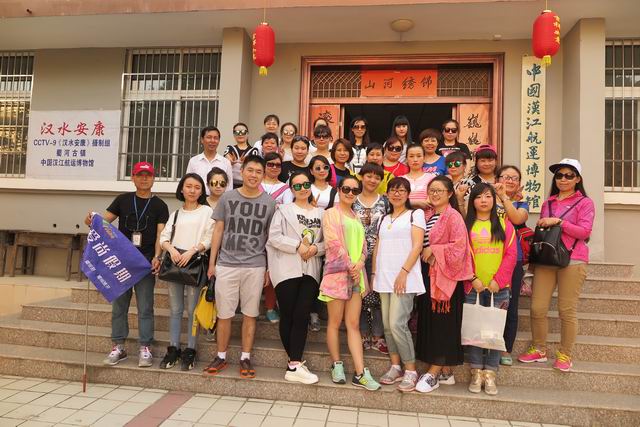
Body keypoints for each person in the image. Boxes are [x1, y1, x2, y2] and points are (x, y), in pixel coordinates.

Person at [86, 162, 169, 368]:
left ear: (153, 178)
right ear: (133, 178)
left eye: (148, 175)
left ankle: (145, 347)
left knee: (145, 307)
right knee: (119, 307)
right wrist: (91, 220)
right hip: (121, 264)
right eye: (140, 175)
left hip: (145, 264)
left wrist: (157, 257)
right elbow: (103, 223)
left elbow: (161, 234)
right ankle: (118, 346)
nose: (144, 178)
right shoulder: (122, 200)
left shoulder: (160, 205)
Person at [518, 159, 594, 372]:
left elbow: (585, 232)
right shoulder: (548, 203)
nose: (563, 179)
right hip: (547, 259)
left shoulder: (585, 203)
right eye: (559, 175)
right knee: (537, 307)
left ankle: (565, 354)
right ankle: (539, 349)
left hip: (573, 259)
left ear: (578, 179)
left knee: (566, 310)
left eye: (569, 175)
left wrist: (559, 222)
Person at [204, 155, 277, 378]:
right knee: (224, 314)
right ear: (242, 171)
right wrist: (212, 263)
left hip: (255, 265)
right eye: (250, 170)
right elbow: (218, 230)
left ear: (263, 175)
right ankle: (221, 356)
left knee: (250, 314)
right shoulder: (227, 198)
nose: (254, 175)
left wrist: (268, 268)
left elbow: (270, 238)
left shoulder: (270, 203)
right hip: (226, 263)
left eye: (258, 171)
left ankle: (245, 357)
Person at [319, 176, 381, 391]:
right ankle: (336, 364)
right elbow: (333, 243)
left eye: (355, 190)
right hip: (337, 275)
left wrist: (360, 264)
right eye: (346, 189)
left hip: (355, 276)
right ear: (339, 190)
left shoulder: (356, 217)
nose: (350, 193)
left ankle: (360, 372)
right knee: (334, 322)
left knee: (353, 324)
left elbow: (364, 247)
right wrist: (350, 265)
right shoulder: (331, 214)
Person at [414, 176, 473, 393]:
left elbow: (460, 248)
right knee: (432, 323)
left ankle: (433, 372)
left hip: (446, 280)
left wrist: (434, 250)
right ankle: (445, 371)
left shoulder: (453, 216)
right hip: (429, 275)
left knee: (443, 325)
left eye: (440, 190)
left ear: (449, 194)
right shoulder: (429, 214)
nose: (435, 194)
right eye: (432, 190)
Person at [266, 171, 325, 384]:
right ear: (291, 189)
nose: (302, 189)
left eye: (306, 185)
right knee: (289, 315)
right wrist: (297, 245)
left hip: (310, 270)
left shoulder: (322, 213)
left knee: (302, 314)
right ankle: (295, 364)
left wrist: (316, 248)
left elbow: (329, 241)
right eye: (297, 186)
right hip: (286, 269)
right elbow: (274, 237)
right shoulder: (283, 210)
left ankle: (294, 364)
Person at [373, 177, 426, 392]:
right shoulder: (383, 218)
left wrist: (404, 273)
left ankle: (411, 370)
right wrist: (374, 273)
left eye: (401, 190)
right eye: (393, 190)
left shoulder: (415, 214)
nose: (397, 194)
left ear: (408, 194)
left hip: (405, 277)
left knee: (397, 324)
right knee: (387, 325)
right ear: (387, 194)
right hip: (383, 276)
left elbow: (417, 246)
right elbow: (377, 247)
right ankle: (395, 366)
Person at [464, 183, 517, 395]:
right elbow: (462, 255)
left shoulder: (505, 224)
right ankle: (476, 371)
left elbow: (511, 255)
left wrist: (499, 280)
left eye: (488, 196)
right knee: (475, 331)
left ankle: (491, 373)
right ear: (472, 201)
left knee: (495, 332)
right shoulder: (466, 226)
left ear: (494, 200)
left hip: (499, 288)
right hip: (473, 287)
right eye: (479, 197)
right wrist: (473, 278)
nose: (483, 200)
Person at [158, 173, 214, 371]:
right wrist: (171, 250)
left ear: (202, 191)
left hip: (194, 264)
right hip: (175, 263)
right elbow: (163, 237)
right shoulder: (176, 213)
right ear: (181, 189)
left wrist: (192, 251)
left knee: (192, 310)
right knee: (175, 309)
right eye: (188, 186)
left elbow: (210, 238)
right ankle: (173, 348)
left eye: (197, 187)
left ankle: (191, 350)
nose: (192, 190)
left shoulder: (207, 212)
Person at [494, 165, 530, 366]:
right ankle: (484, 345)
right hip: (487, 257)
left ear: (519, 183)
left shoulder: (522, 204)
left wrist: (504, 197)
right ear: (497, 179)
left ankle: (505, 348)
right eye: (505, 176)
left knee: (510, 304)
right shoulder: (487, 199)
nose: (509, 180)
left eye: (514, 178)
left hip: (513, 259)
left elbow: (516, 218)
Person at [352, 163, 389, 354]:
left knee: (377, 296)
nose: (372, 180)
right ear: (361, 177)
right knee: (359, 296)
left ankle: (378, 336)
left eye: (377, 177)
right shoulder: (352, 199)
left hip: (379, 255)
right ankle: (363, 334)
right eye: (369, 176)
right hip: (356, 255)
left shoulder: (385, 202)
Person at [186, 126, 233, 194]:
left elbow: (229, 187)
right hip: (198, 199)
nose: (212, 141)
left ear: (219, 141)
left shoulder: (226, 162)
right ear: (202, 140)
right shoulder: (193, 161)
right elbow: (188, 183)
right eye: (209, 137)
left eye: (215, 138)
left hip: (219, 199)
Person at [404, 144, 437, 211]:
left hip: (427, 216)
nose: (415, 160)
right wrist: (416, 203)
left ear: (424, 158)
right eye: (411, 156)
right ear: (406, 159)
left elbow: (434, 199)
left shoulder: (432, 178)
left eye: (419, 156)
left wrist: (406, 202)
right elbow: (396, 201)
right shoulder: (400, 180)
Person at [225, 122, 258, 189]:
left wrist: (246, 163)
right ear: (234, 135)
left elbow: (254, 165)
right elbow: (227, 158)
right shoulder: (230, 148)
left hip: (248, 184)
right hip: (231, 185)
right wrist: (230, 162)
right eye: (237, 132)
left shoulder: (254, 150)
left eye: (243, 132)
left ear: (247, 134)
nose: (240, 134)